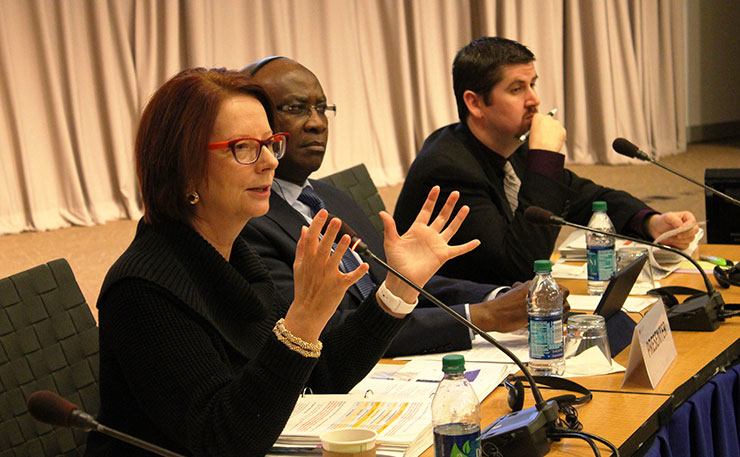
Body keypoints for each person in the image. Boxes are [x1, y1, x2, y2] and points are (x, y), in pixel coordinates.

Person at [85, 68, 478, 457]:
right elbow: (221, 440)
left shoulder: (236, 257)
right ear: (184, 167)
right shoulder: (143, 290)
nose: (270, 162)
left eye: (271, 143)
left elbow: (316, 378)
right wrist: (303, 321)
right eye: (244, 147)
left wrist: (397, 289)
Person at [239, 57, 543, 357]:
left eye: (322, 108)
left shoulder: (332, 197)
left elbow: (394, 284)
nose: (317, 123)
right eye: (296, 109)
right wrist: (481, 317)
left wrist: (498, 299)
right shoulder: (248, 223)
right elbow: (328, 332)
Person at [393, 36, 699, 285]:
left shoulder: (511, 147)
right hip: (454, 319)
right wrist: (545, 159)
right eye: (517, 89)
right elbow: (522, 265)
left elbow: (591, 198)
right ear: (475, 103)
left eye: (532, 84)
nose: (534, 100)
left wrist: (650, 222)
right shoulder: (449, 169)